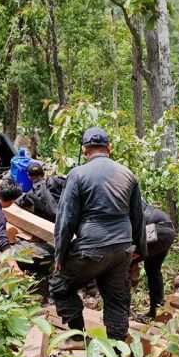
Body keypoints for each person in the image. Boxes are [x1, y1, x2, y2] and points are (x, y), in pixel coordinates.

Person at [50, 127, 147, 341]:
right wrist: (139, 250)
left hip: (91, 246)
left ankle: (78, 337)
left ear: (85, 150)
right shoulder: (128, 174)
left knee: (60, 285)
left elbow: (66, 219)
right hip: (122, 247)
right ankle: (117, 350)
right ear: (109, 148)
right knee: (117, 301)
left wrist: (60, 255)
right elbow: (138, 216)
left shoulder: (77, 174)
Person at [131, 202, 177, 318]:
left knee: (122, 263)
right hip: (168, 229)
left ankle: (121, 312)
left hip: (155, 229)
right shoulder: (128, 199)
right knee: (153, 270)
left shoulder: (119, 204)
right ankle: (156, 311)